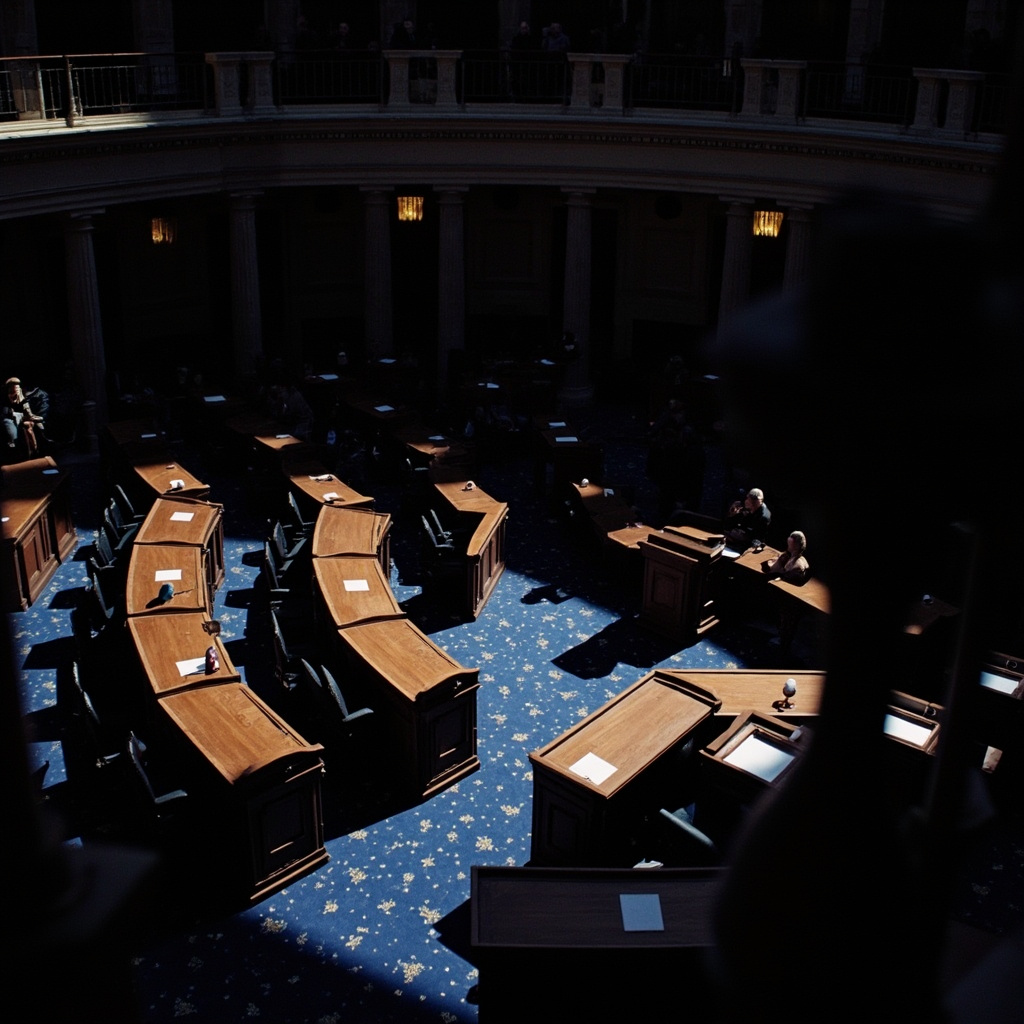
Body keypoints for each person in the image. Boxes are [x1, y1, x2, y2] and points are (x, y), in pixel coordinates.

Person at [3, 376, 49, 456]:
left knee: (33, 426)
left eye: (17, 387)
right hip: (12, 418)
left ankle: (36, 450)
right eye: (13, 387)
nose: (16, 390)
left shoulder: (29, 396)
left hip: (27, 417)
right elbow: (6, 412)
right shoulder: (6, 398)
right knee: (10, 424)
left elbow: (27, 409)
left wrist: (34, 416)